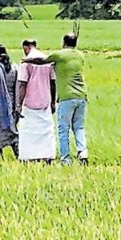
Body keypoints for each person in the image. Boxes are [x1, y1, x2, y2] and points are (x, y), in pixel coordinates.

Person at [27, 33, 89, 165]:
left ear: (64, 42)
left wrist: (27, 60)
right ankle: (83, 153)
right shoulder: (80, 55)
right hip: (82, 96)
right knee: (79, 127)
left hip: (66, 97)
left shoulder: (59, 55)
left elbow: (42, 61)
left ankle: (66, 159)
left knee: (63, 129)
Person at [16, 39, 57, 162]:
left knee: (28, 132)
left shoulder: (26, 62)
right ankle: (47, 155)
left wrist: (18, 104)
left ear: (26, 47)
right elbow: (53, 82)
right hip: (45, 102)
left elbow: (22, 84)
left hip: (30, 104)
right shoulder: (47, 60)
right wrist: (53, 101)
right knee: (46, 131)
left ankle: (28, 156)